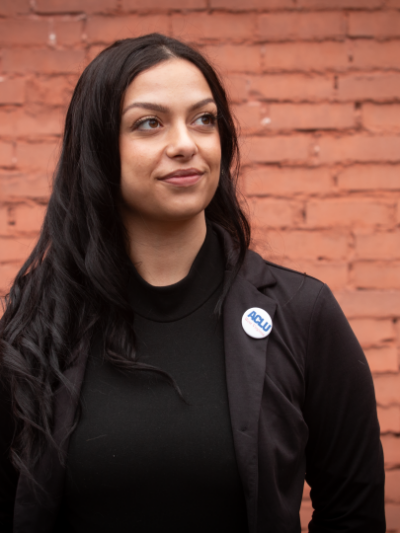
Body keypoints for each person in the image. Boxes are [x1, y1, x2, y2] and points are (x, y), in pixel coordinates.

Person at [0, 33, 385, 533]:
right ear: (98, 148)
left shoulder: (302, 313)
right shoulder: (40, 316)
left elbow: (353, 511)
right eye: (149, 123)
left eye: (204, 119)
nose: (186, 144)